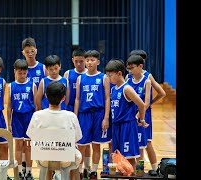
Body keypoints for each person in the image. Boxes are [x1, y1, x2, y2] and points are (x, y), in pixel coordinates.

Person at [27, 81, 83, 180]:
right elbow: (77, 138)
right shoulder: (71, 116)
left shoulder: (37, 116)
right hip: (66, 160)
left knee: (45, 152)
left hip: (43, 159)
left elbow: (31, 136)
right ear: (63, 98)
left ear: (46, 96)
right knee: (74, 154)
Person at [104, 58, 148, 171]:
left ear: (119, 74)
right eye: (107, 76)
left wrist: (141, 119)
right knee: (118, 156)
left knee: (130, 158)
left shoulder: (126, 88)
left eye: (110, 75)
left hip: (127, 126)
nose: (109, 78)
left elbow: (142, 105)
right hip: (116, 126)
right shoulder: (113, 89)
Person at [126, 49, 166, 171]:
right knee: (136, 143)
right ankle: (134, 170)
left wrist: (147, 105)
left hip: (143, 114)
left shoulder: (147, 77)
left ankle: (154, 170)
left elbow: (162, 93)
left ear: (141, 62)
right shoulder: (129, 76)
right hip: (131, 114)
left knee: (146, 143)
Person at [74, 50, 111, 179]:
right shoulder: (80, 78)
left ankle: (94, 171)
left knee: (96, 145)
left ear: (98, 62)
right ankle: (79, 171)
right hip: (84, 115)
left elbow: (107, 98)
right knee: (82, 146)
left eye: (92, 60)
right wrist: (75, 117)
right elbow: (77, 99)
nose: (89, 62)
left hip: (99, 114)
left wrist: (106, 117)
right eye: (87, 60)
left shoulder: (104, 77)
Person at [7, 59, 37, 179]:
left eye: (24, 73)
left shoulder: (32, 85)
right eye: (20, 73)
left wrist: (35, 123)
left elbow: (36, 106)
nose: (22, 75)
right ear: (15, 71)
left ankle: (29, 172)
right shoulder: (11, 86)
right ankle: (19, 171)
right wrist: (9, 124)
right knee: (18, 145)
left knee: (29, 146)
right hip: (17, 118)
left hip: (29, 118)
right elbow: (9, 107)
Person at [21, 37, 48, 171]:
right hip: (25, 109)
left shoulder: (42, 68)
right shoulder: (21, 67)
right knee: (23, 140)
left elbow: (48, 86)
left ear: (36, 51)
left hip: (39, 109)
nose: (30, 53)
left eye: (32, 51)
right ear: (23, 53)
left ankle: (43, 167)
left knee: (36, 140)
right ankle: (24, 167)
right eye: (27, 51)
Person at [63, 48, 91, 176]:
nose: (79, 64)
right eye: (76, 61)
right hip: (70, 110)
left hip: (85, 111)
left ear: (85, 60)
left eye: (81, 61)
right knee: (71, 141)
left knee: (86, 141)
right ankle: (74, 168)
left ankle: (87, 167)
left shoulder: (89, 74)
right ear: (72, 61)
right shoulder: (68, 74)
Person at [125, 55, 151, 162]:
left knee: (140, 148)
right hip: (129, 118)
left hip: (140, 118)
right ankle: (128, 171)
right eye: (128, 68)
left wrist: (138, 116)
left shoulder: (147, 81)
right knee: (128, 145)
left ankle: (139, 172)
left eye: (132, 68)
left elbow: (147, 103)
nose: (130, 71)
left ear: (140, 66)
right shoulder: (127, 79)